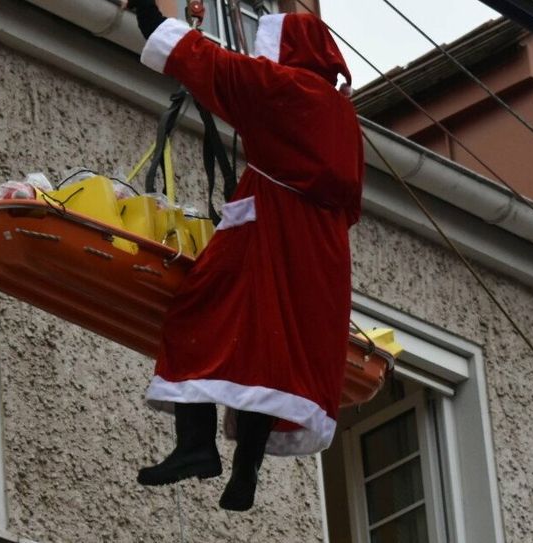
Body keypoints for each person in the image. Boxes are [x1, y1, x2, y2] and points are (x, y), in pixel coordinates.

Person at [125, 1, 364, 511]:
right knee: (271, 351)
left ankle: (194, 447)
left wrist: (145, 9)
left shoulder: (283, 90)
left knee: (197, 314)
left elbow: (200, 59)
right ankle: (246, 468)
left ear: (284, 50)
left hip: (271, 233)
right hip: (321, 256)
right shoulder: (341, 111)